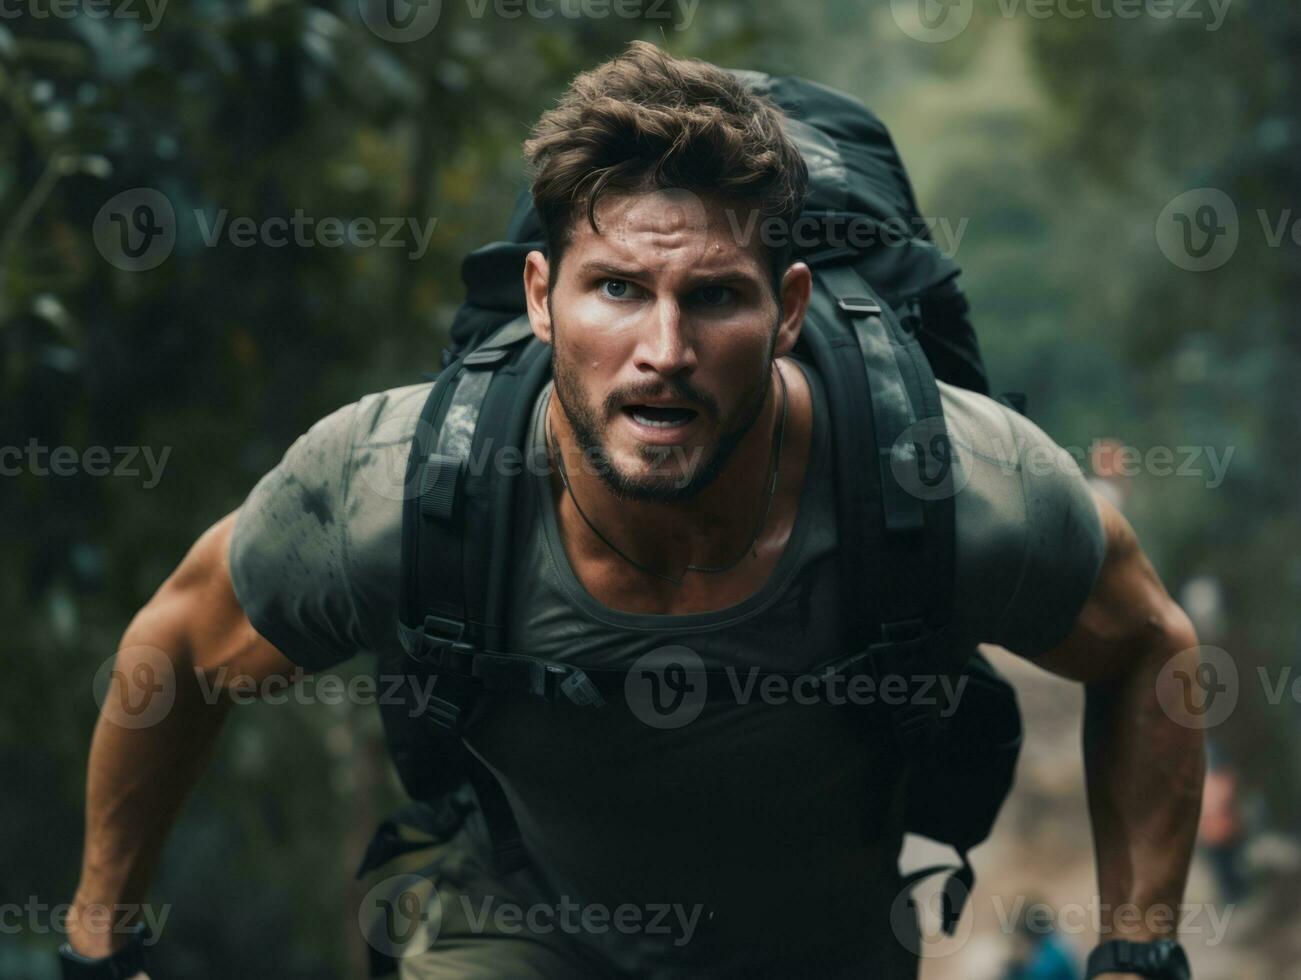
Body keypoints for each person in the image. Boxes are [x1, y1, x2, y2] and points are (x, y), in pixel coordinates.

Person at [64, 42, 1205, 980]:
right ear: (539, 296)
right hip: (516, 927)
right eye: (616, 287)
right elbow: (182, 645)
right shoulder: (398, 486)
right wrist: (99, 941)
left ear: (789, 308)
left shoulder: (953, 489)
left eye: (712, 296)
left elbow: (1148, 645)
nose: (663, 352)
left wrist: (1135, 952)